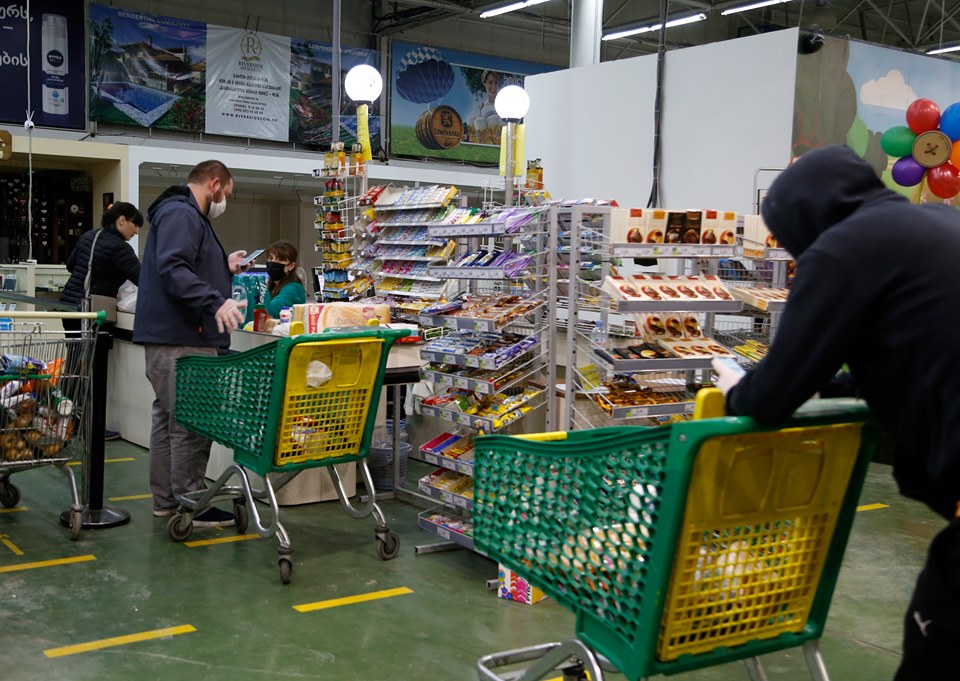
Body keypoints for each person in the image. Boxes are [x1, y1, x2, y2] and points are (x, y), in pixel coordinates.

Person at [711, 144, 960, 680]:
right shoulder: (938, 223)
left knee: (939, 645)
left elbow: (769, 400)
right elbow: (906, 356)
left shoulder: (842, 249)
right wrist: (829, 387)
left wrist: (735, 389)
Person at [133, 160, 248, 527]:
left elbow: (184, 264)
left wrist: (222, 266)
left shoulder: (183, 216)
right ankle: (192, 503)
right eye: (226, 193)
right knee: (191, 424)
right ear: (214, 184)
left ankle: (168, 501)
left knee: (168, 420)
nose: (224, 201)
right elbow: (174, 269)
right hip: (182, 338)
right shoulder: (182, 214)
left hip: (173, 336)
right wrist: (216, 301)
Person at [59, 201, 143, 441]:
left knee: (74, 366)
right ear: (122, 220)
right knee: (91, 371)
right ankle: (90, 427)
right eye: (135, 224)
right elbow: (143, 280)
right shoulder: (120, 248)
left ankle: (65, 420)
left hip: (70, 308)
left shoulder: (90, 236)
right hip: (92, 313)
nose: (136, 231)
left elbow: (70, 266)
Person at [262, 240, 306, 318]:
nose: (273, 262)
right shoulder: (274, 285)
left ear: (291, 266)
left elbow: (270, 311)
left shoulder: (293, 288)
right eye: (271, 258)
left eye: (280, 260)